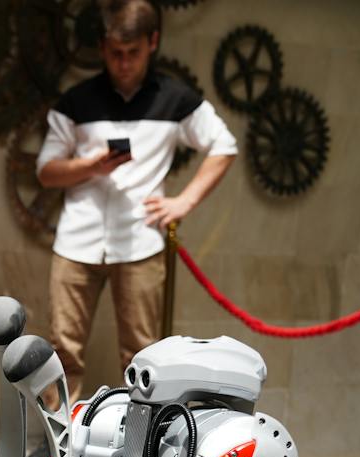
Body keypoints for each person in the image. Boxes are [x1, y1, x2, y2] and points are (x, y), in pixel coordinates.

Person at [36, 0, 237, 426]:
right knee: (62, 348)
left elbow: (224, 145)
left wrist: (184, 202)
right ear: (103, 47)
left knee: (144, 352)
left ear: (153, 43)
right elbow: (46, 172)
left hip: (141, 240)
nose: (123, 64)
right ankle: (58, 438)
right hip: (77, 239)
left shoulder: (176, 98)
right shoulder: (76, 101)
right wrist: (90, 165)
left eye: (133, 53)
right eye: (114, 53)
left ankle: (137, 442)